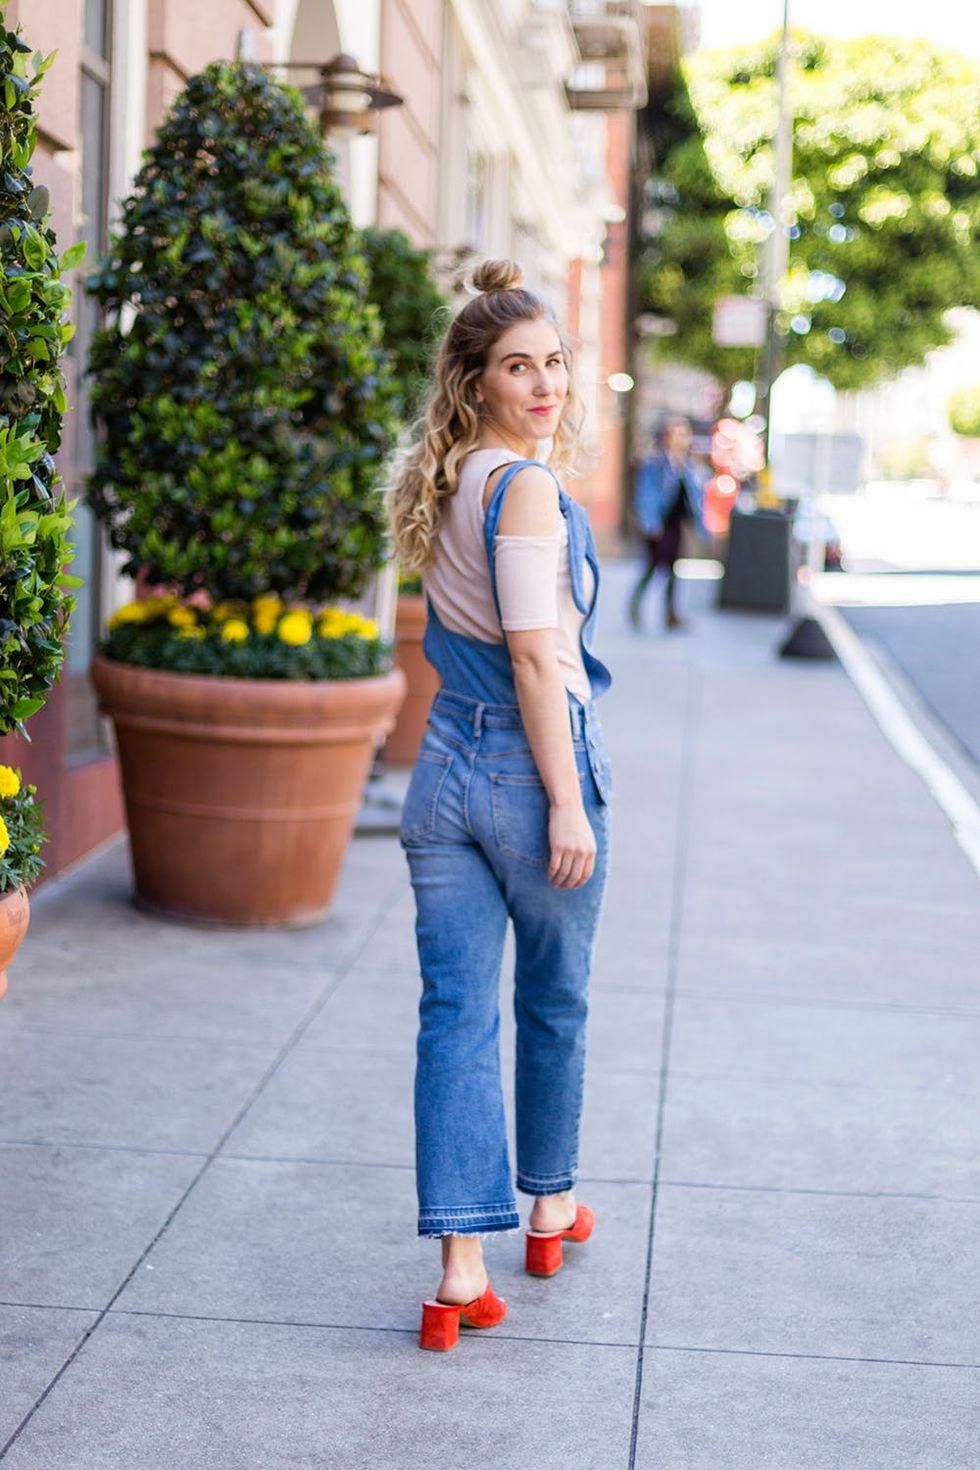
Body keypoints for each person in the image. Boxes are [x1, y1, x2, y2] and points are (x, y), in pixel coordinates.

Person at [388, 257, 613, 1353]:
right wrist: (565, 805)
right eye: (516, 367)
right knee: (553, 1000)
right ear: (474, 380)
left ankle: (456, 1271)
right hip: (529, 769)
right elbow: (533, 656)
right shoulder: (525, 488)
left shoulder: (449, 475)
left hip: (438, 771)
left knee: (453, 1018)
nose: (542, 385)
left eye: (554, 363)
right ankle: (547, 1206)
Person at [628, 415, 708, 631]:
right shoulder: (655, 463)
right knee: (652, 566)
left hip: (676, 525)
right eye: (676, 433)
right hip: (659, 524)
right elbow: (645, 495)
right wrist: (650, 523)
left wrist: (701, 525)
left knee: (673, 569)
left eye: (684, 433)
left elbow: (696, 496)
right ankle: (634, 607)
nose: (681, 438)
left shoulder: (688, 464)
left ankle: (671, 614)